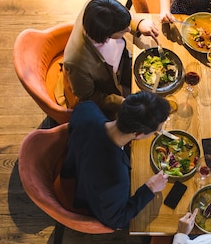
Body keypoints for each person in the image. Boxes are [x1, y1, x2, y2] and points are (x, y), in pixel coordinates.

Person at [60, 91, 170, 230]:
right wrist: (150, 189)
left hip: (74, 163)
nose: (155, 134)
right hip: (84, 192)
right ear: (138, 134)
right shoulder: (116, 180)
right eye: (155, 132)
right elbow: (117, 220)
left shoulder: (87, 109)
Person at [63, 0, 160, 119]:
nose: (128, 30)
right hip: (109, 87)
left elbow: (119, 15)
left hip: (122, 64)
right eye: (122, 31)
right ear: (106, 34)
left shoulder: (96, 8)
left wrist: (139, 23)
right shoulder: (76, 62)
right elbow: (88, 97)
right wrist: (120, 102)